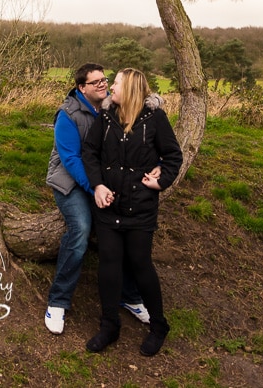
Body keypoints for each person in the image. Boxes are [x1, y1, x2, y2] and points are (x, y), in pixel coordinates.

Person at [44, 62, 152, 334]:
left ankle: (129, 296)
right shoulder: (67, 115)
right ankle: (58, 301)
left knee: (122, 227)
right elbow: (70, 159)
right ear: (82, 88)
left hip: (102, 182)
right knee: (80, 229)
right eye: (96, 82)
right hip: (71, 183)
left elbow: (144, 108)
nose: (104, 85)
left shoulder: (111, 108)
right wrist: (97, 189)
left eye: (105, 80)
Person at [82, 68, 183, 357]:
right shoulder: (106, 116)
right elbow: (90, 152)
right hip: (108, 205)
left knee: (140, 265)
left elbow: (173, 156)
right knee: (109, 264)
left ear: (132, 89)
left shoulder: (155, 119)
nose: (109, 87)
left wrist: (161, 179)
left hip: (140, 208)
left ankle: (159, 326)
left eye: (115, 83)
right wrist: (98, 185)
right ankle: (109, 325)